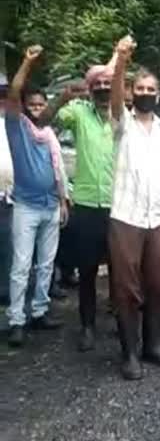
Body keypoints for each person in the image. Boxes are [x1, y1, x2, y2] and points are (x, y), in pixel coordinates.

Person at [108, 35, 160, 380]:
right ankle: (129, 354)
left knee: (157, 286)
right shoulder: (121, 124)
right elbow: (113, 99)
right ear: (131, 92)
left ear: (158, 93)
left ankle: (152, 346)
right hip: (125, 218)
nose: (144, 92)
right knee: (126, 288)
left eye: (150, 88)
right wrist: (121, 59)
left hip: (158, 218)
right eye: (138, 88)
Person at [49, 59, 118, 351]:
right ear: (90, 89)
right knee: (88, 271)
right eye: (97, 84)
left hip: (119, 205)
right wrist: (62, 97)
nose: (103, 88)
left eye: (107, 84)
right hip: (87, 205)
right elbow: (49, 121)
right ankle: (87, 326)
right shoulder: (78, 113)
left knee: (121, 270)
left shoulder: (123, 116)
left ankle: (120, 321)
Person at [5, 45, 69, 347]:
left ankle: (40, 311)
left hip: (50, 204)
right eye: (32, 103)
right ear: (24, 106)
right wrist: (27, 62)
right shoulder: (17, 128)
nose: (37, 107)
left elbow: (59, 173)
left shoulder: (49, 135)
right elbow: (15, 90)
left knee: (46, 263)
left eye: (42, 104)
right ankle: (16, 319)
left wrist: (63, 200)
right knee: (21, 264)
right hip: (26, 207)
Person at [0, 74, 13, 306]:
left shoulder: (15, 121)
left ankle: (6, 292)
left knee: (8, 247)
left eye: (4, 93)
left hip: (11, 196)